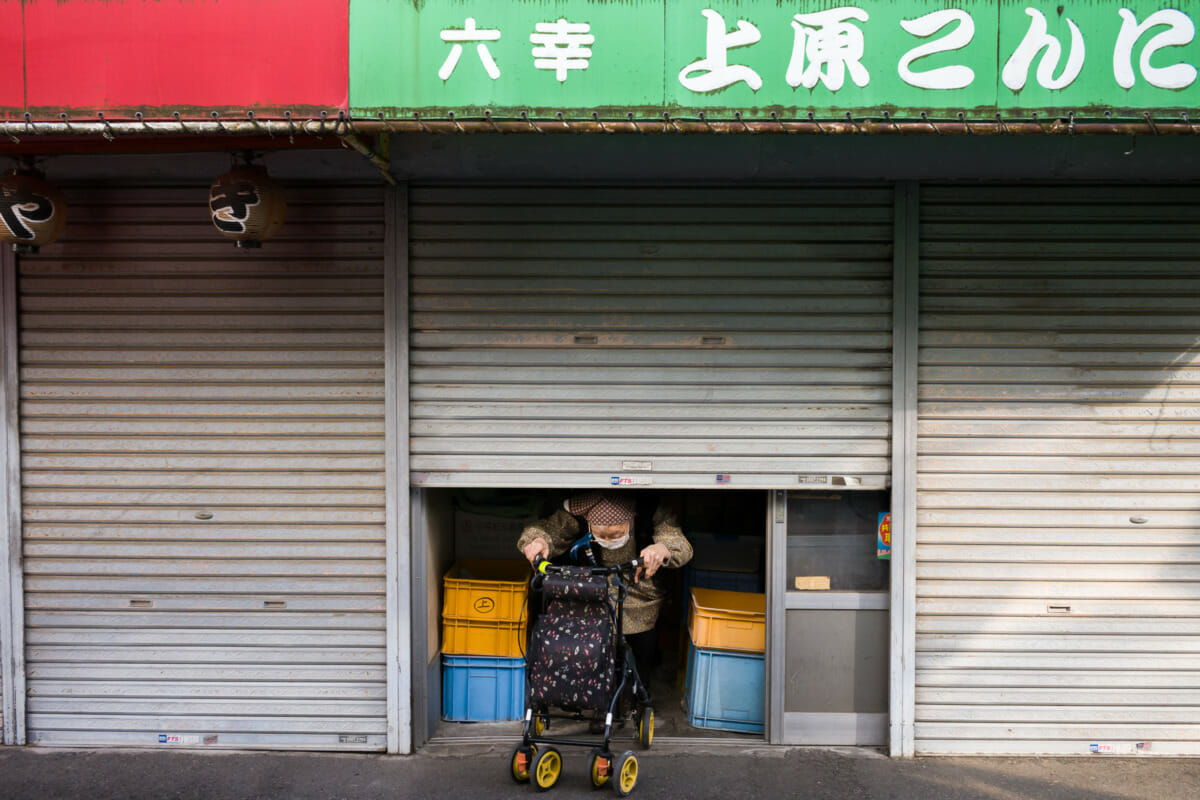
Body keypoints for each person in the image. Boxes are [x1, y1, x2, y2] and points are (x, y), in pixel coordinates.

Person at [517, 491, 692, 679]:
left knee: (643, 646)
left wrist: (661, 549)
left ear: (631, 520)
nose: (608, 540)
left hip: (638, 592)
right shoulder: (581, 513)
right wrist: (539, 541)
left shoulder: (650, 512)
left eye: (616, 534)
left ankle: (640, 688)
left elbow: (679, 544)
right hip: (592, 587)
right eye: (601, 535)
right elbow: (547, 530)